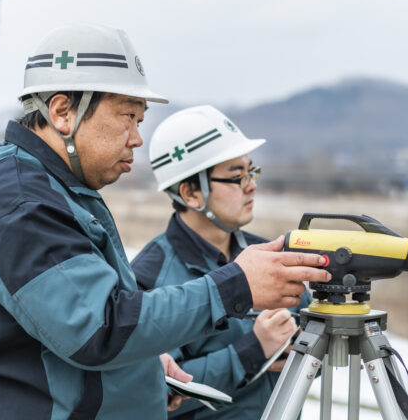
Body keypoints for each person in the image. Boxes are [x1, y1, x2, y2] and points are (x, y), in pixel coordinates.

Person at [0, 23, 331, 420]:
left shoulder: (53, 189)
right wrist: (235, 287)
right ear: (63, 111)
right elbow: (97, 327)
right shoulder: (19, 201)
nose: (137, 138)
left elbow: (70, 330)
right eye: (128, 117)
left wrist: (142, 370)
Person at [132, 105, 311, 419]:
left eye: (251, 172)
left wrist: (301, 348)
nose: (251, 185)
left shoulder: (266, 254)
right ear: (190, 193)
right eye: (236, 177)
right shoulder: (149, 276)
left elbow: (311, 353)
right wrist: (253, 352)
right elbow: (152, 392)